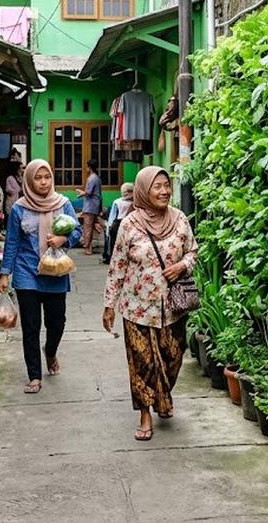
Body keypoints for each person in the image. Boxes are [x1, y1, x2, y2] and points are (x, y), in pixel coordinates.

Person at [102, 167, 197, 441]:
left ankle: (163, 395)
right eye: (157, 186)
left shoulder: (179, 219)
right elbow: (117, 266)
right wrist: (110, 304)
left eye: (167, 185)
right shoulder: (130, 224)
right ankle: (145, 414)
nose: (164, 191)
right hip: (137, 308)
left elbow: (193, 250)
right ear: (144, 190)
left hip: (173, 308)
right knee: (142, 362)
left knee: (173, 357)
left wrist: (182, 265)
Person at [0, 159, 82, 394]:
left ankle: (51, 351)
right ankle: (34, 375)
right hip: (27, 273)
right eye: (38, 177)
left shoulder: (63, 204)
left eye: (47, 177)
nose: (43, 182)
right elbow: (12, 241)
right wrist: (5, 273)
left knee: (57, 322)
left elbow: (76, 229)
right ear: (29, 180)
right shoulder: (19, 208)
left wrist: (63, 240)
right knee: (31, 326)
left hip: (55, 272)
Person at [101, 182, 134, 264]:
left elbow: (112, 216)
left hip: (118, 224)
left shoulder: (117, 202)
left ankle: (113, 259)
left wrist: (108, 228)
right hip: (131, 224)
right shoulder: (135, 202)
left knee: (114, 243)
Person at [76, 158, 102, 255]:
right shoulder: (97, 178)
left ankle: (87, 247)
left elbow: (88, 193)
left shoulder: (91, 178)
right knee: (92, 226)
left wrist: (80, 193)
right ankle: (89, 246)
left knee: (87, 228)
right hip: (95, 206)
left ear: (89, 167)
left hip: (90, 206)